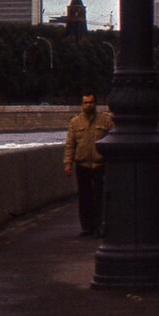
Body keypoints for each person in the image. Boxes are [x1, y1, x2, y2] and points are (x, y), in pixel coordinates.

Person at [63, 94, 114, 236]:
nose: (88, 105)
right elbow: (70, 144)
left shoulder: (106, 120)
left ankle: (100, 226)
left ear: (95, 103)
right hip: (82, 164)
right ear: (82, 104)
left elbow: (114, 140)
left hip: (100, 164)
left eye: (91, 102)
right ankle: (87, 227)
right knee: (85, 197)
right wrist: (68, 163)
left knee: (100, 196)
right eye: (86, 103)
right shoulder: (75, 122)